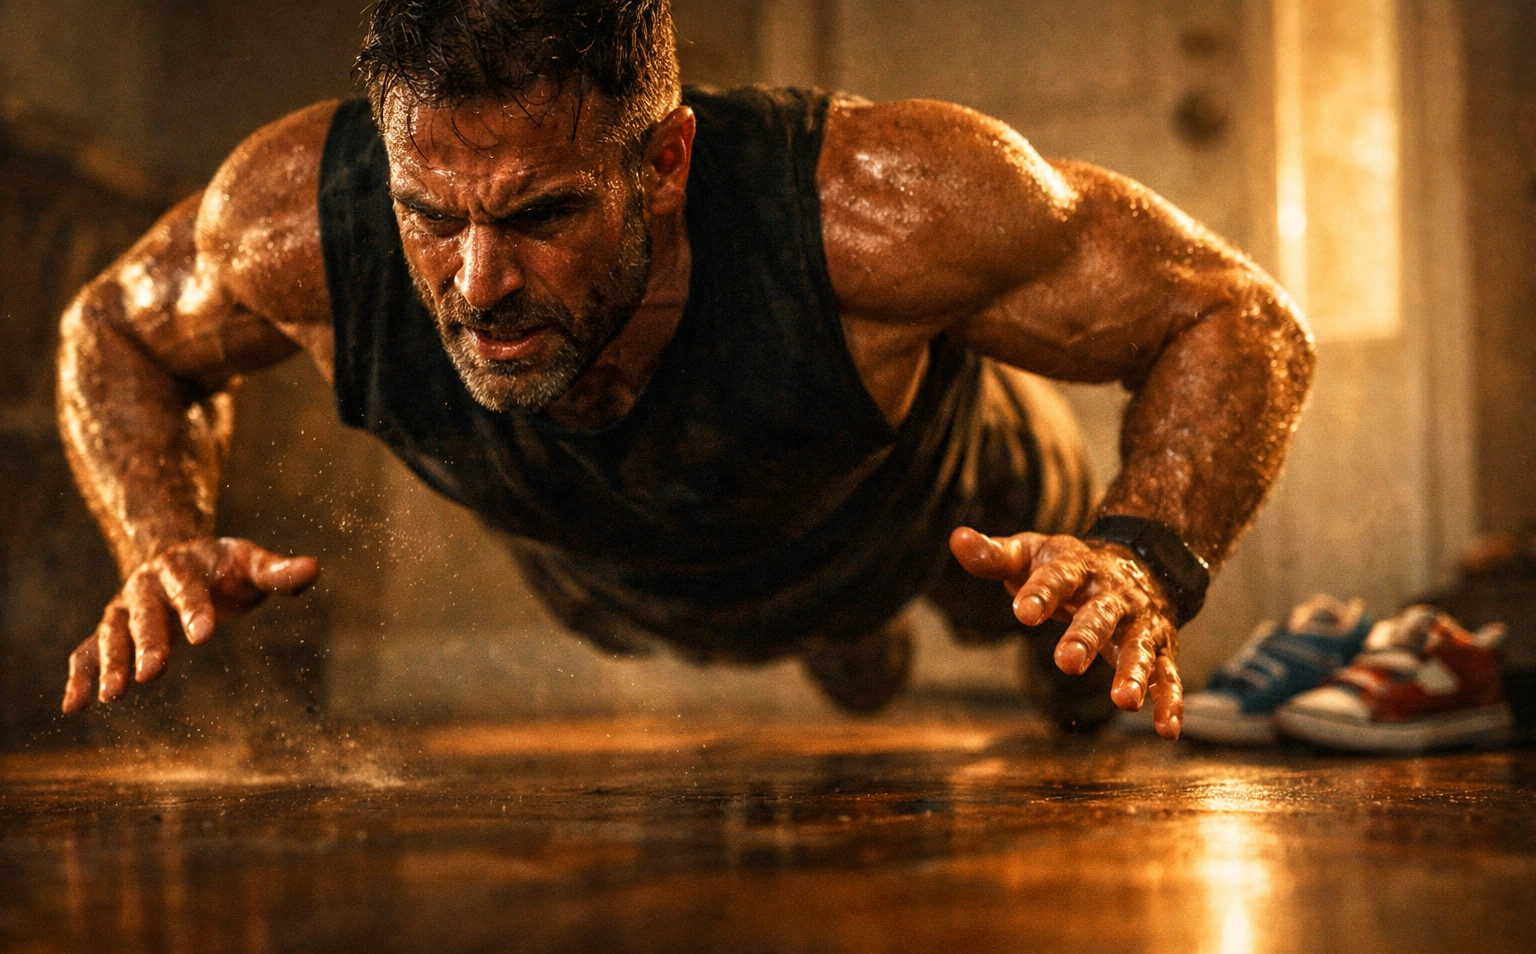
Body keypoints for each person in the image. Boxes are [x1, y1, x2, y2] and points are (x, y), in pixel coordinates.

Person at [56, 0, 1314, 739]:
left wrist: (1141, 558)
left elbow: (1234, 314)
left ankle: (894, 632)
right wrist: (157, 534)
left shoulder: (878, 207)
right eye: (429, 215)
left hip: (929, 514)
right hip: (622, 581)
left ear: (663, 165)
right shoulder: (293, 225)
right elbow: (109, 331)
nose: (477, 284)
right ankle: (847, 648)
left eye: (542, 212)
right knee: (804, 642)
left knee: (1069, 654)